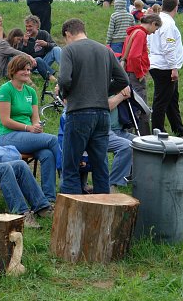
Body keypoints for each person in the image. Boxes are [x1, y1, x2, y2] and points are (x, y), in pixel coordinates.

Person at [58, 18, 129, 196]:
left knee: (71, 165)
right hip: (102, 114)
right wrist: (103, 91)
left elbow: (64, 79)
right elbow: (123, 80)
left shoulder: (69, 50)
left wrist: (66, 94)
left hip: (79, 112)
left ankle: (74, 207)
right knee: (100, 165)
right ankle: (103, 206)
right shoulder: (105, 50)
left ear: (67, 34)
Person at [0, 55, 60, 202]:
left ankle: (49, 198)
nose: (27, 72)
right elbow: (5, 121)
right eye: (23, 69)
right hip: (8, 135)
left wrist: (36, 126)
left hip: (27, 135)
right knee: (53, 140)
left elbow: (35, 118)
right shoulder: (5, 90)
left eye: (29, 70)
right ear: (14, 71)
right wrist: (28, 128)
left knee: (48, 154)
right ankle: (68, 175)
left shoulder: (30, 92)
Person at [148, 0, 183, 141]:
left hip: (158, 64)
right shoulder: (167, 24)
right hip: (165, 67)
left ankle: (179, 129)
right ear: (176, 6)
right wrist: (174, 68)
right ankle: (157, 132)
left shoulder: (156, 20)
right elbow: (168, 47)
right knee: (161, 101)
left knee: (172, 99)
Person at [120, 13, 163, 136]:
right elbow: (134, 56)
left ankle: (128, 135)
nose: (154, 32)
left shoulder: (133, 32)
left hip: (128, 73)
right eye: (156, 29)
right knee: (142, 108)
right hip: (135, 75)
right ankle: (144, 138)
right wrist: (140, 74)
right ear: (153, 23)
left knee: (131, 107)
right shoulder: (141, 34)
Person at [106, 87, 137, 191]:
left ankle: (134, 177)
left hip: (119, 130)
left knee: (141, 144)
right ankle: (113, 184)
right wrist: (121, 96)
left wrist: (126, 88)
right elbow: (106, 106)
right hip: (103, 131)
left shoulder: (116, 83)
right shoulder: (98, 84)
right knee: (127, 146)